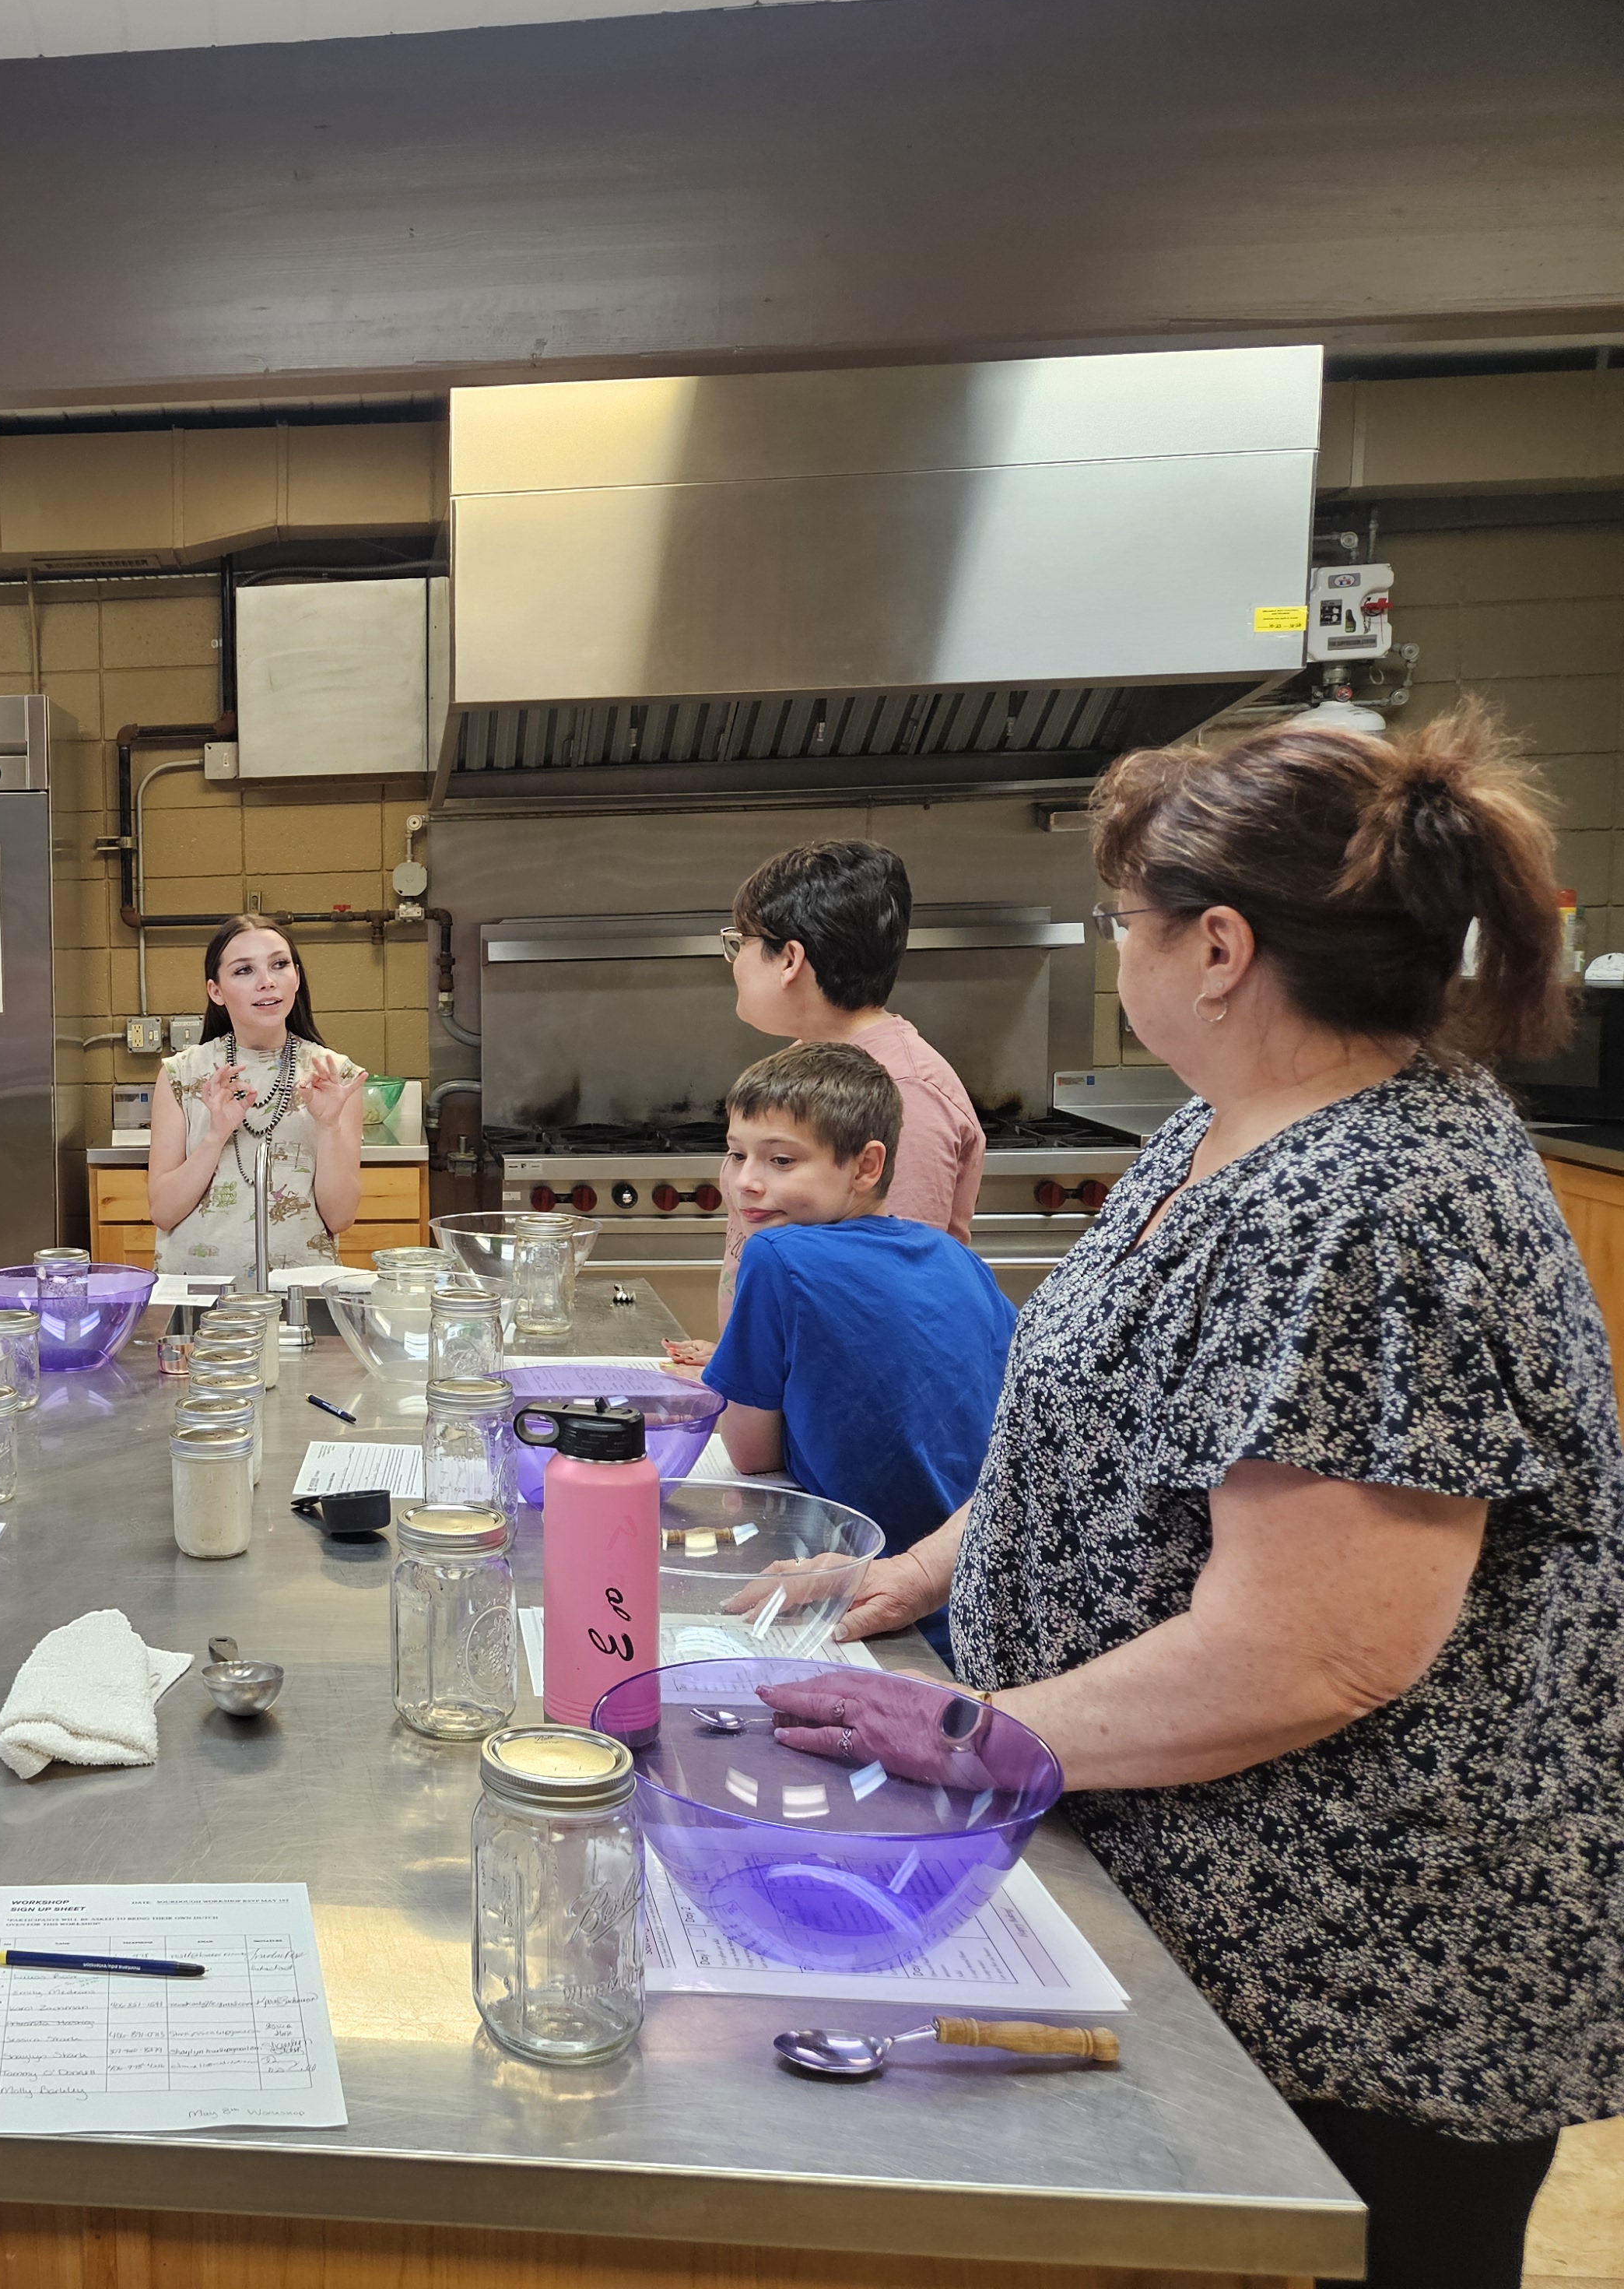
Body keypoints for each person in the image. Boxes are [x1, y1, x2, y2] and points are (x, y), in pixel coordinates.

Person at [788, 701, 1622, 2287]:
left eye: (1122, 922)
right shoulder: (1221, 1130)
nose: (1119, 952)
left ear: (1220, 949)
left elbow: (1317, 1650)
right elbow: (1110, 1429)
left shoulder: (1374, 1203)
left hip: (1350, 1979)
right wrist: (940, 1566)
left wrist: (980, 1732)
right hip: (1179, 1899)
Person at [698, 1043, 1015, 1664]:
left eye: (782, 1160)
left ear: (867, 1165)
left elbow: (750, 1453)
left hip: (871, 1590)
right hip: (976, 1592)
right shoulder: (960, 1259)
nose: (746, 1182)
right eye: (736, 1154)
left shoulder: (775, 1258)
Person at [670, 839, 984, 1362]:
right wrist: (739, 1355)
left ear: (789, 958)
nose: (733, 962)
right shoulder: (808, 1064)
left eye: (739, 943)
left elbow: (886, 1306)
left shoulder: (905, 1092)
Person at [145, 913, 368, 1286]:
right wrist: (215, 1135)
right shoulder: (181, 1075)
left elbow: (340, 1218)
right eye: (244, 971)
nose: (267, 982)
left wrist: (328, 1126)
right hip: (199, 1289)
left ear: (296, 977)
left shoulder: (336, 1076)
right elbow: (164, 1212)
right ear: (216, 991)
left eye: (279, 965)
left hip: (300, 1288)